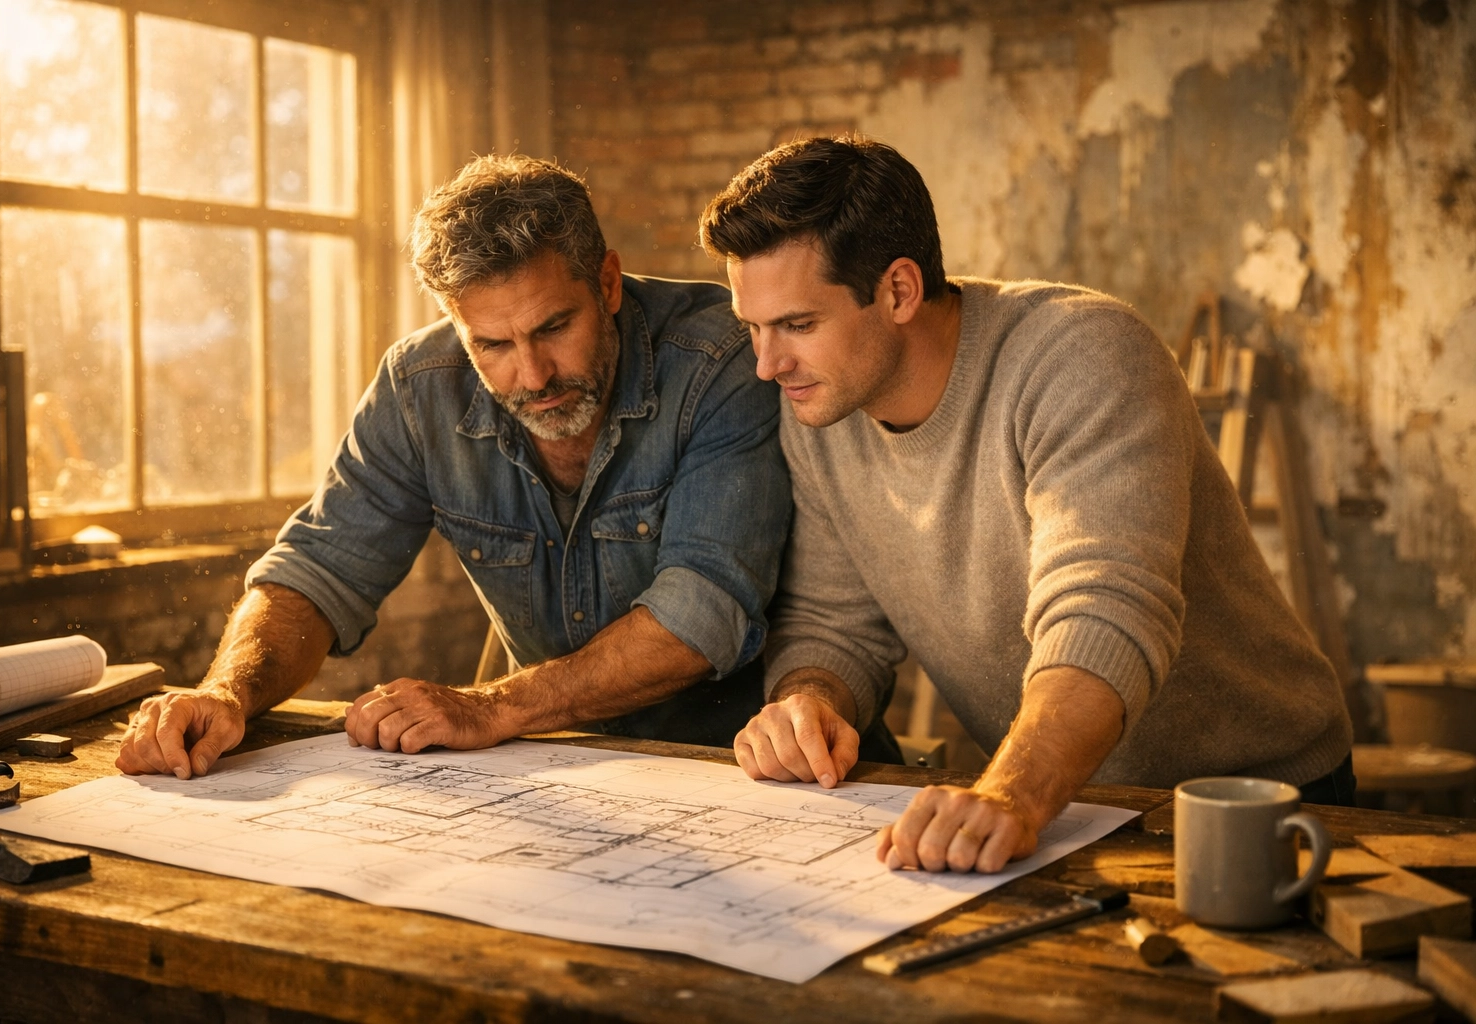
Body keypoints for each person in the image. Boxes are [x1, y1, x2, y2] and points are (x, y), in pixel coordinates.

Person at [701, 137, 1354, 875]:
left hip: (1257, 797)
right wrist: (811, 702)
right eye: (753, 327)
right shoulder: (819, 408)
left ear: (899, 291)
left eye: (797, 325)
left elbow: (1104, 609)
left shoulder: (1081, 353)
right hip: (1067, 807)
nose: (767, 365)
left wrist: (1010, 794)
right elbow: (832, 622)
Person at [116, 155, 794, 779]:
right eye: (492, 344)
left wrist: (492, 707)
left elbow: (704, 611)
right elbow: (319, 570)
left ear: (608, 284)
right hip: (543, 766)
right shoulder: (419, 386)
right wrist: (226, 693)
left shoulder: (721, 360)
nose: (534, 375)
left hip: (739, 769)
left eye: (554, 328)